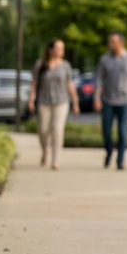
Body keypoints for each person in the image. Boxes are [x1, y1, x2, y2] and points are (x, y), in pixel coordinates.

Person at [93, 32, 127, 170]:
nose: (111, 44)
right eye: (109, 42)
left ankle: (120, 160)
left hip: (126, 101)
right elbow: (99, 80)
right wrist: (96, 98)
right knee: (106, 131)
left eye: (113, 42)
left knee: (123, 131)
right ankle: (109, 152)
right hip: (107, 100)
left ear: (122, 42)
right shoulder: (104, 60)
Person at [27, 39, 79, 170]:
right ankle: (45, 151)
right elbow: (34, 84)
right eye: (58, 48)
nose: (61, 51)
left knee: (57, 129)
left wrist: (75, 102)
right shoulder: (40, 64)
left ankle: (55, 160)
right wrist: (31, 99)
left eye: (62, 48)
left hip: (61, 102)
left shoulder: (65, 65)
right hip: (44, 102)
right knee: (43, 130)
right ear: (50, 50)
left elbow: (70, 84)